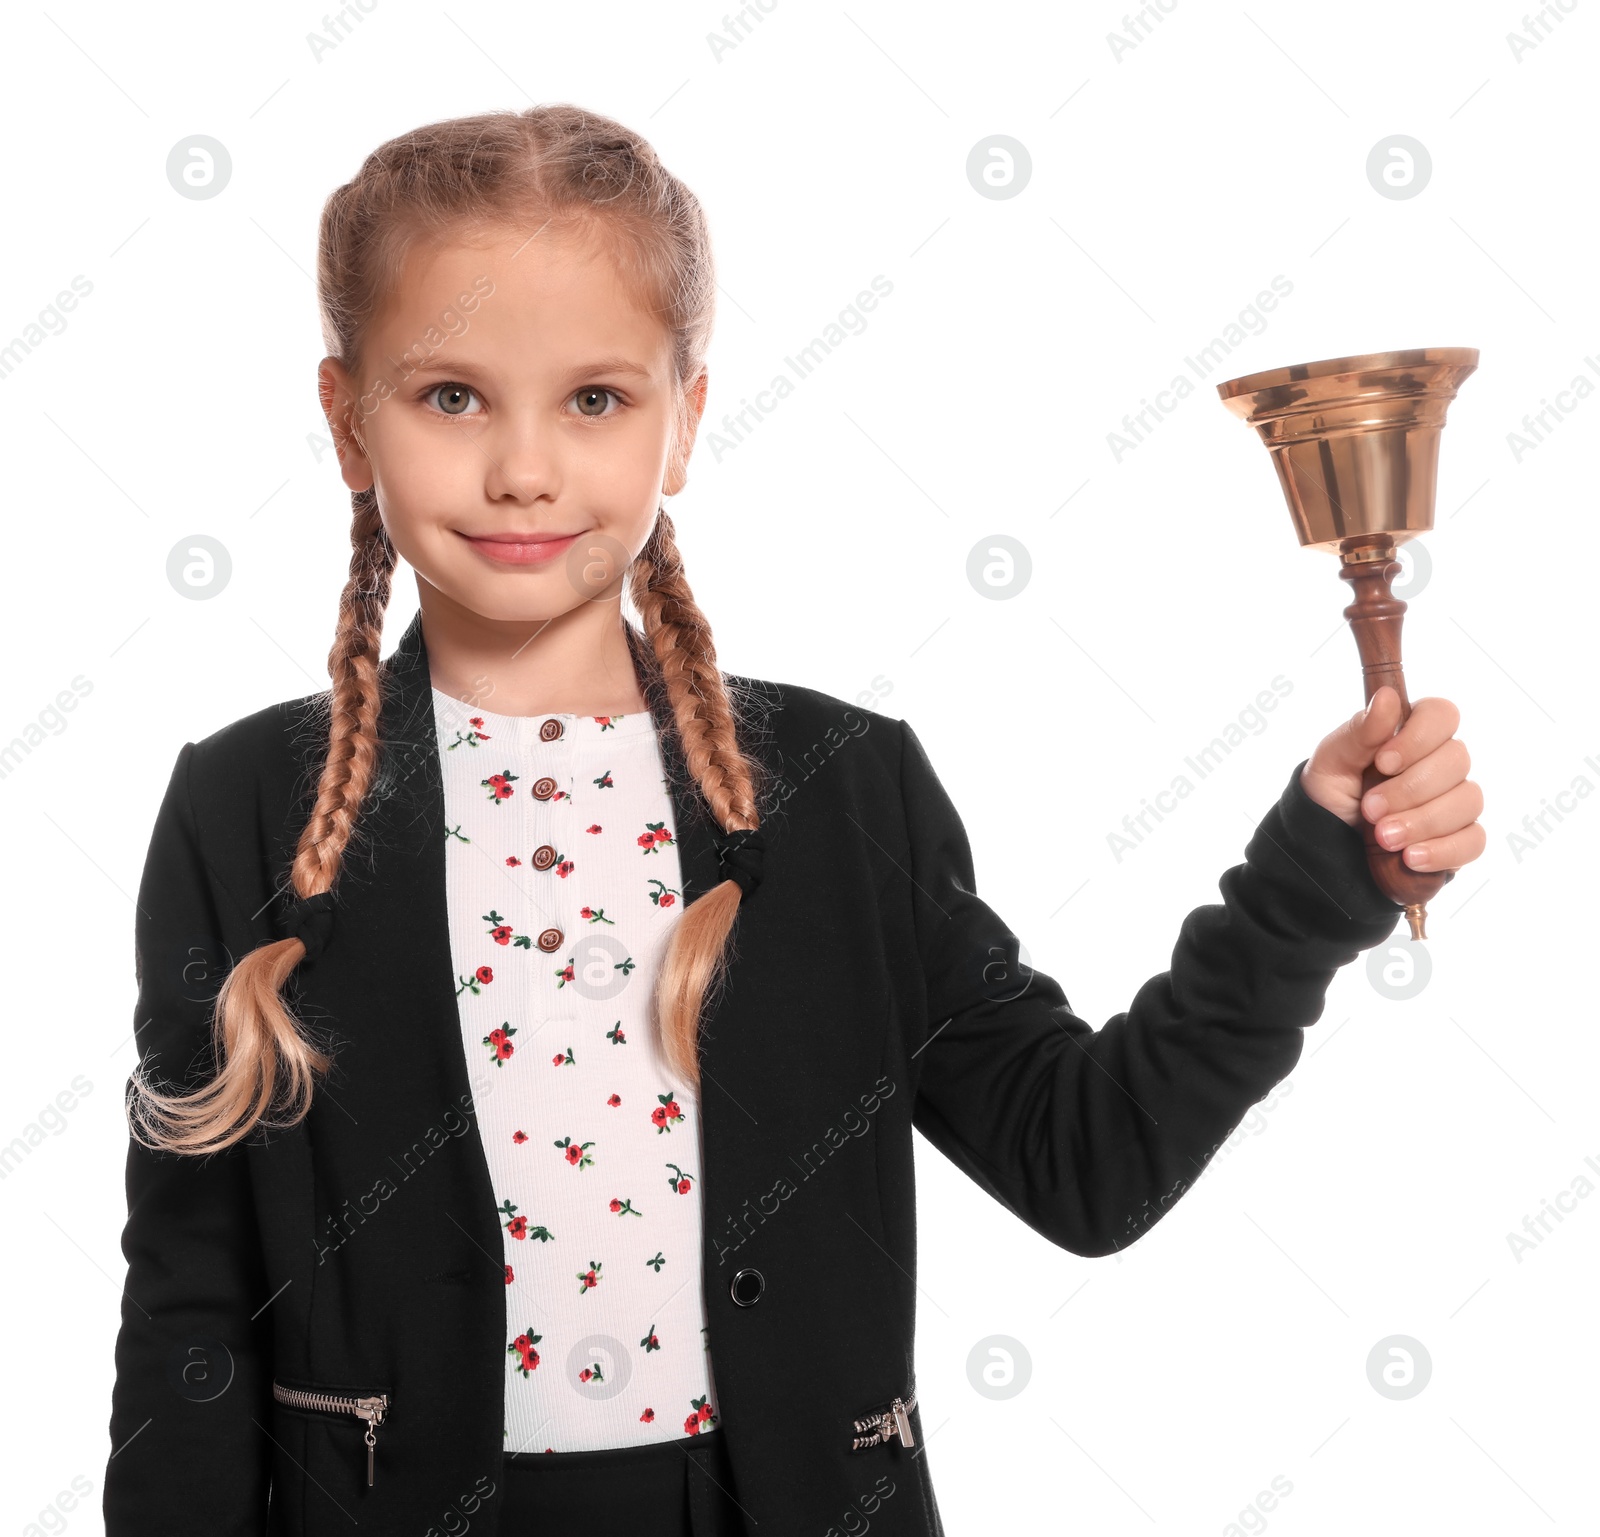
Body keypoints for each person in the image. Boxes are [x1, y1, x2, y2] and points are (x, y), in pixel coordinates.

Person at [101, 104, 1486, 1536]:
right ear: (347, 418)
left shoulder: (840, 787)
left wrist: (1314, 878)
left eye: (595, 399)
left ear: (685, 420)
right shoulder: (245, 804)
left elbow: (1090, 1161)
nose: (522, 467)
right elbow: (189, 1314)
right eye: (451, 395)